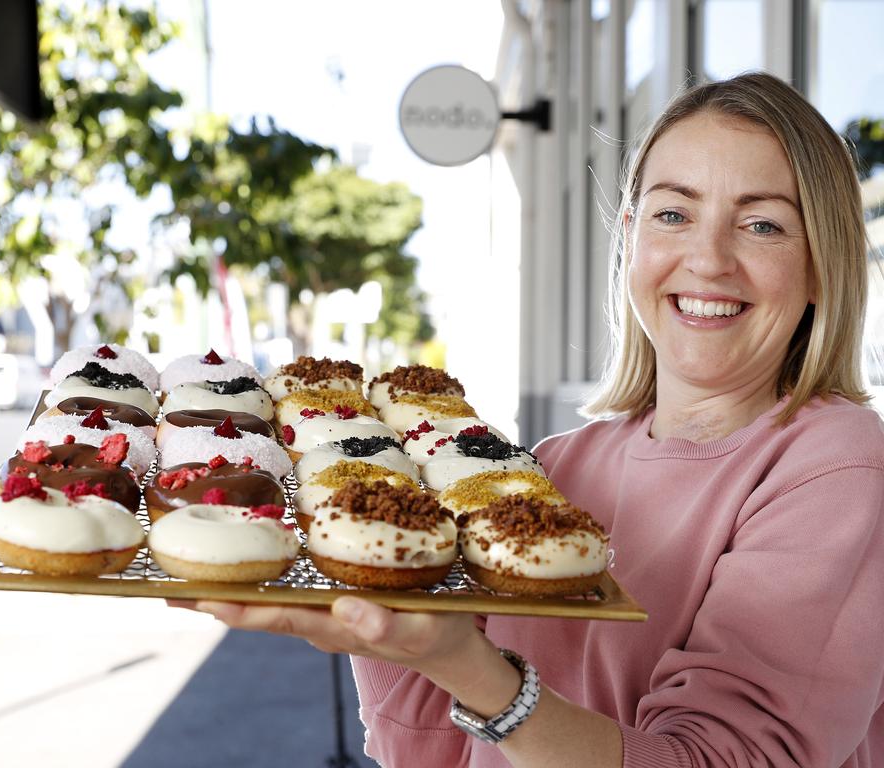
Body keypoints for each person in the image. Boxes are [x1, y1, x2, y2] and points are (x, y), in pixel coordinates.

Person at [169, 72, 884, 767]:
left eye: (763, 225)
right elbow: (426, 753)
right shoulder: (556, 467)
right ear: (631, 235)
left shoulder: (837, 466)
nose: (708, 258)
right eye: (674, 213)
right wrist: (376, 615)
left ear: (822, 262)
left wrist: (476, 672)